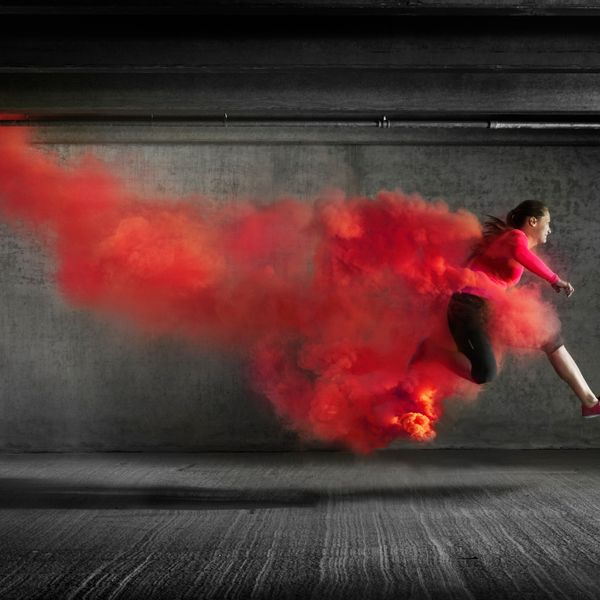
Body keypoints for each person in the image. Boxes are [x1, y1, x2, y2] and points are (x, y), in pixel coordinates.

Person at [411, 200, 600, 418]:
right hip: (468, 309)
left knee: (542, 344)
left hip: (485, 309)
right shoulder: (515, 237)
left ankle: (589, 402)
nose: (550, 229)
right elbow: (522, 254)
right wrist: (554, 279)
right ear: (533, 221)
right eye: (548, 224)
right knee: (488, 371)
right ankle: (429, 351)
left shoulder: (505, 243)